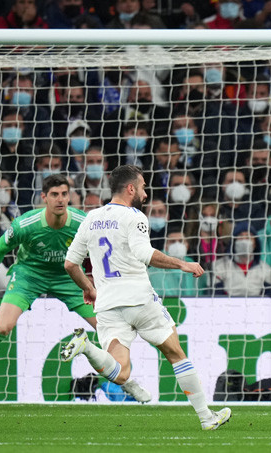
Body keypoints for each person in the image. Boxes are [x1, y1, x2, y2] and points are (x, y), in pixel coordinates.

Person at [0, 175, 150, 409]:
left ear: (69, 196)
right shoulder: (26, 224)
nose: (60, 199)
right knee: (3, 326)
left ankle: (125, 380)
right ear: (44, 197)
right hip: (29, 275)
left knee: (110, 328)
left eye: (64, 194)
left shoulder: (83, 222)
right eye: (54, 194)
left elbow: (104, 249)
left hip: (68, 277)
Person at [61, 165, 231, 430]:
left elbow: (70, 264)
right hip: (139, 299)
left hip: (107, 304)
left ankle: (86, 347)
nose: (145, 193)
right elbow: (145, 254)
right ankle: (206, 417)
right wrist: (182, 264)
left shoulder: (91, 218)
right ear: (130, 188)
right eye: (142, 187)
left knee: (121, 373)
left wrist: (88, 288)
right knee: (176, 354)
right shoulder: (135, 216)